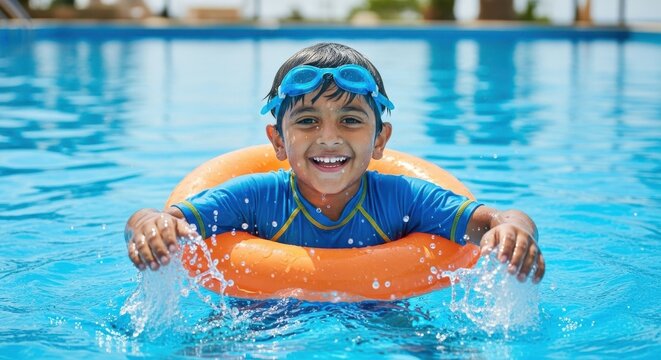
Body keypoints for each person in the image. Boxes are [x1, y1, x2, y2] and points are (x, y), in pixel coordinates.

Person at [125, 43, 545, 284]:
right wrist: (148, 226)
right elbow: (160, 220)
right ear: (278, 142)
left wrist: (516, 232)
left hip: (379, 315)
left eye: (350, 120)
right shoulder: (254, 197)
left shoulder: (404, 199)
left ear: (381, 140)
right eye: (307, 121)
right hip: (262, 317)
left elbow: (499, 219)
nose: (329, 137)